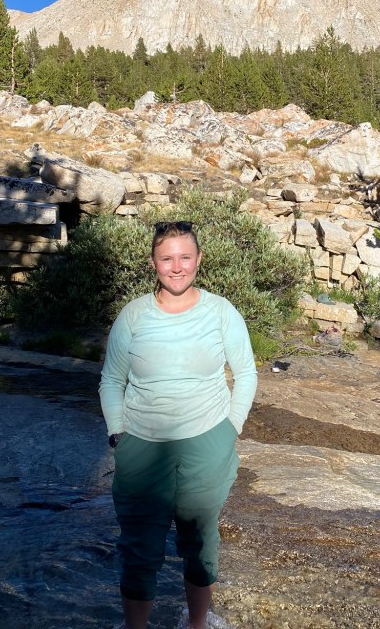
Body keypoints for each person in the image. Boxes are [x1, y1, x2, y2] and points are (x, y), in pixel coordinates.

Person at [99, 220, 258, 629]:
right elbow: (112, 380)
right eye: (167, 258)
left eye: (185, 257)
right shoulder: (133, 316)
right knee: (139, 546)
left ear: (199, 260)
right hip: (140, 444)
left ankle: (197, 624)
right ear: (153, 262)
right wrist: (118, 433)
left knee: (200, 541)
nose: (177, 267)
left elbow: (246, 373)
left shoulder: (221, 312)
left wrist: (231, 429)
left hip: (207, 441)